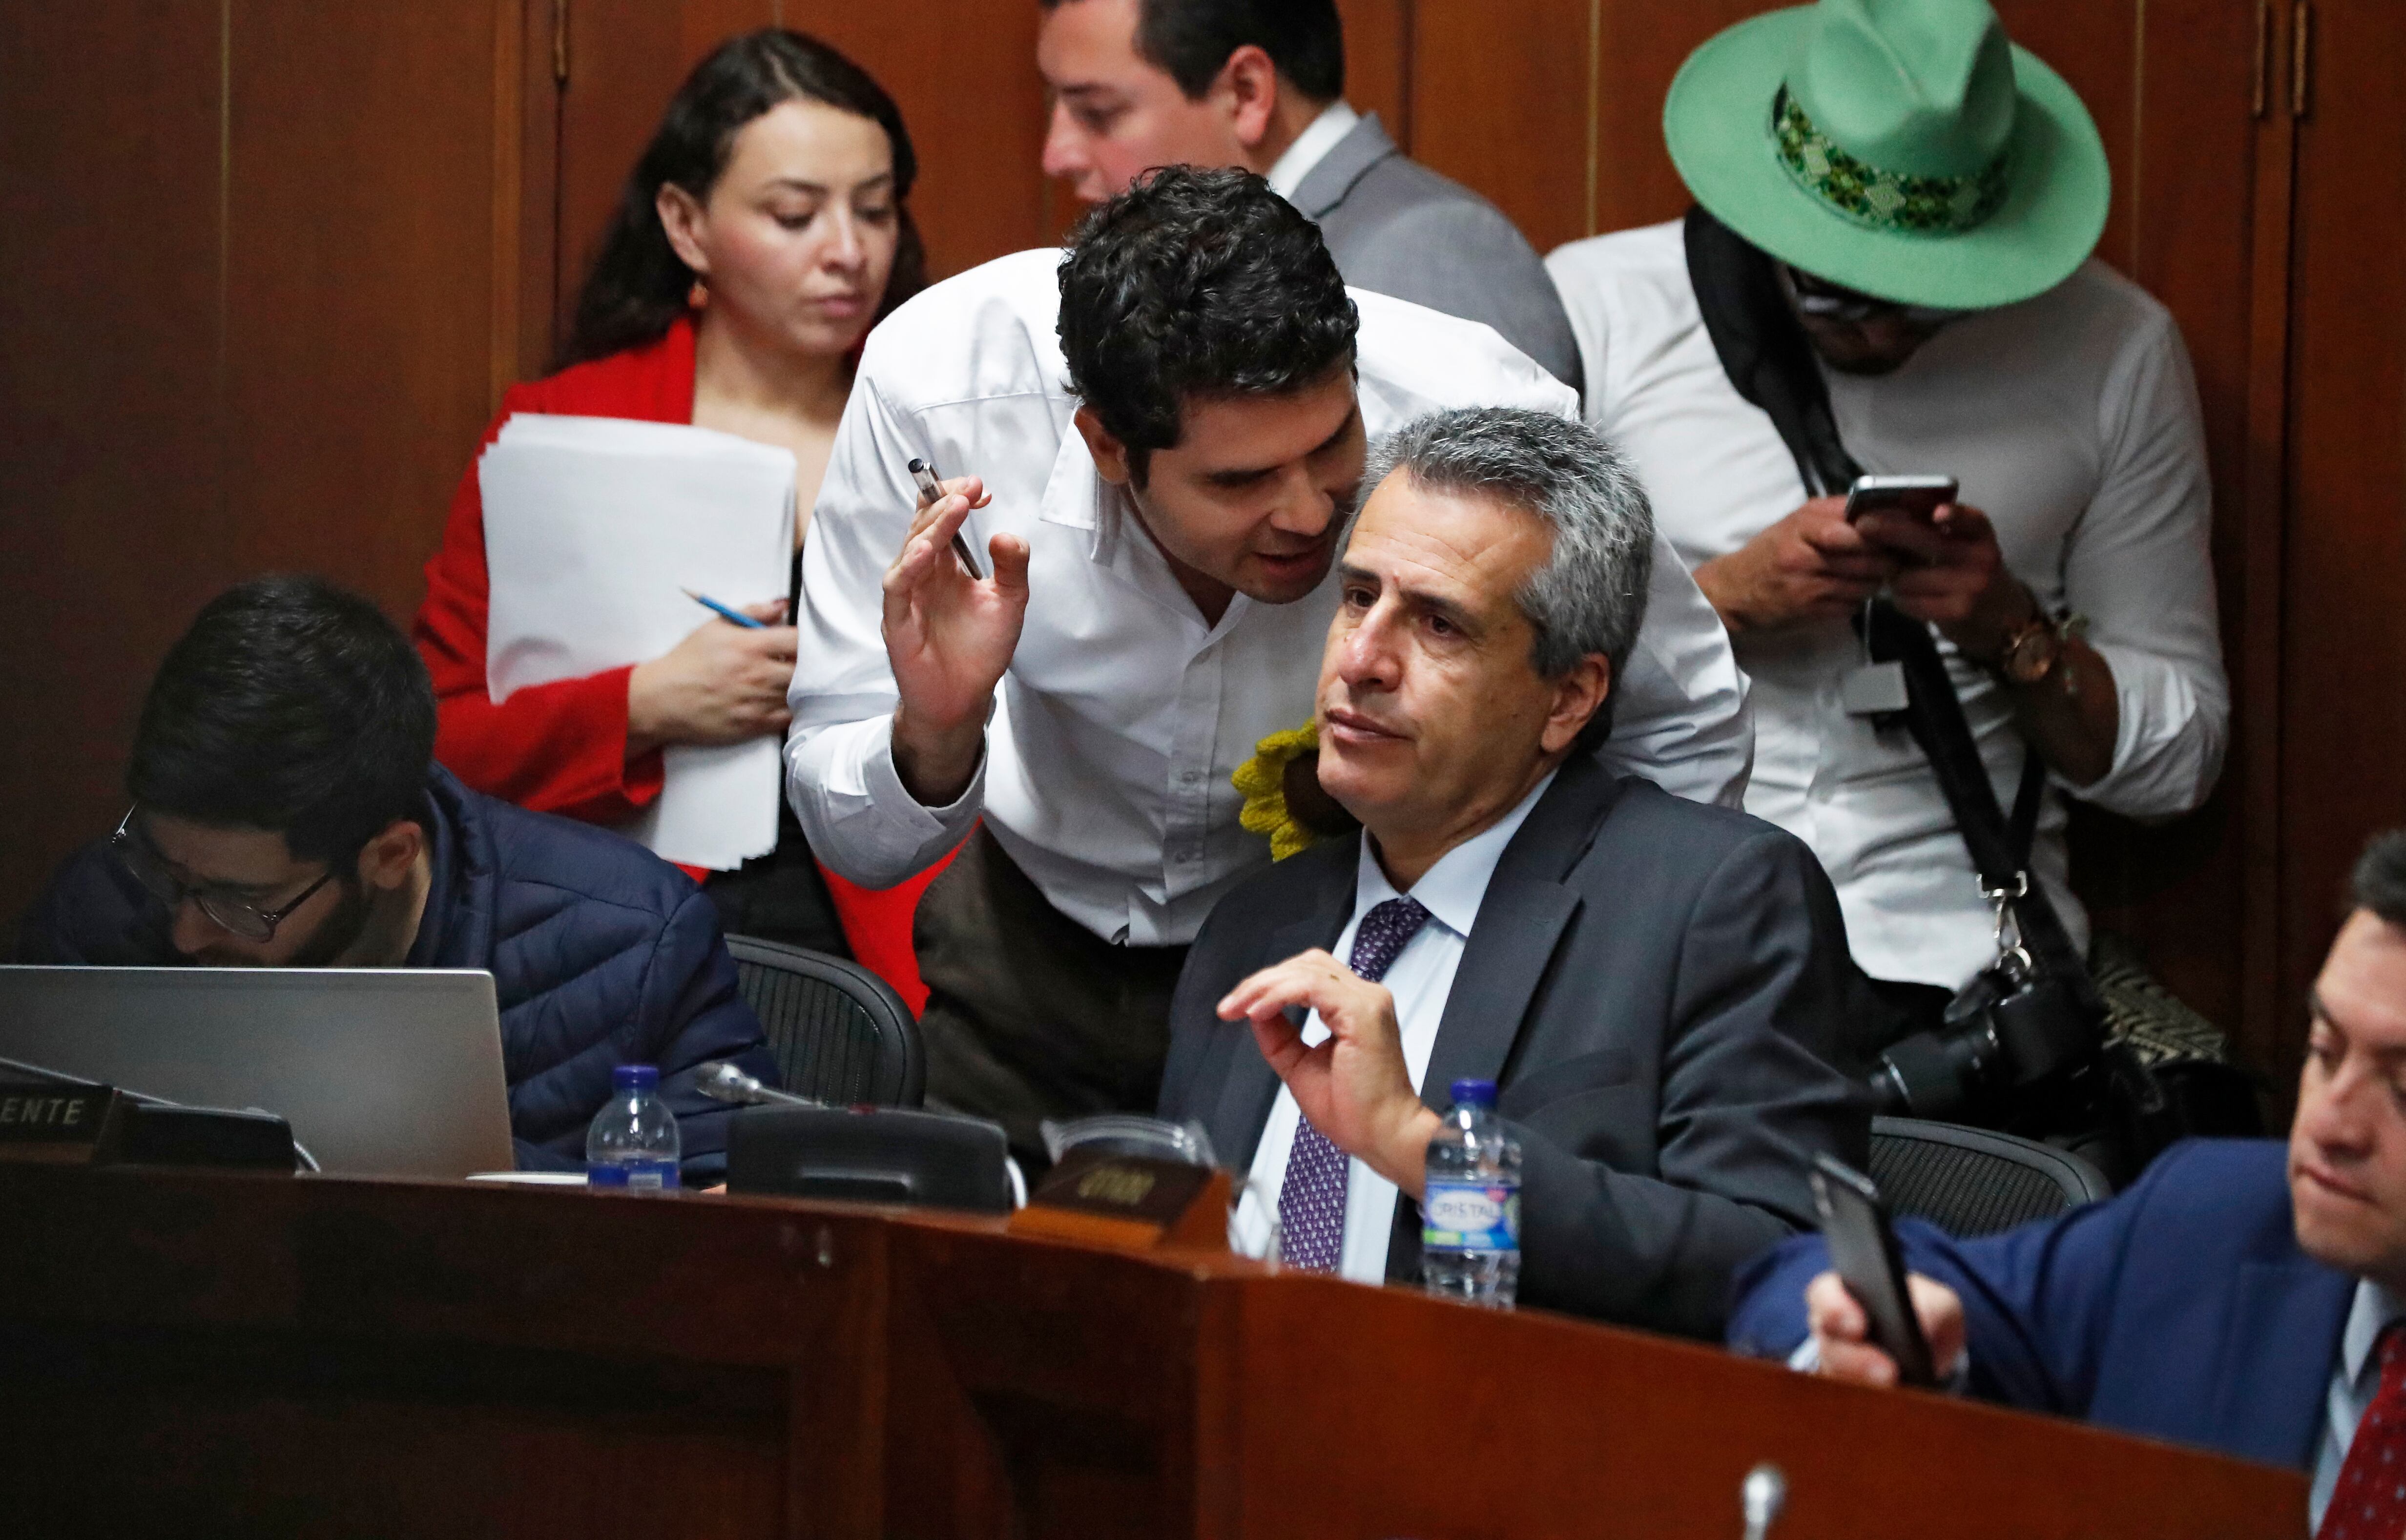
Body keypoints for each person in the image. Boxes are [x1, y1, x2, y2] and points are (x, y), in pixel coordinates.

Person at [789, 166, 1750, 1164]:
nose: (1306, 512)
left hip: (1346, 962)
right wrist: (936, 732)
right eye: (1240, 479)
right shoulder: (940, 395)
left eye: (1333, 443)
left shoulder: (1478, 414)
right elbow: (849, 827)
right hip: (1025, 956)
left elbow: (1685, 714)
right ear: (1108, 445)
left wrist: (1565, 968)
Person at [1545, 0, 2226, 1045]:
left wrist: (2009, 630)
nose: (1877, 328)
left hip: (1957, 970)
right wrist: (1715, 603)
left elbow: (2178, 758)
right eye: (1832, 298)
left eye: (1930, 301)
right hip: (1647, 941)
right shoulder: (1600, 309)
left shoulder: (2112, 349)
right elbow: (1480, 654)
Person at [1160, 406, 1866, 1332]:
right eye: (1359, 595)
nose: (1363, 659)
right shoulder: (1258, 922)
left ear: (1568, 697)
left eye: (1440, 624)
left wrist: (1427, 1151)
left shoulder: (1715, 901)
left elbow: (1773, 1263)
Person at [411, 29, 934, 1004]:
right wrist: (645, 705)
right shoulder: (559, 428)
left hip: (895, 938)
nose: (849, 251)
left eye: (874, 209)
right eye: (794, 214)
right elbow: (439, 744)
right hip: (617, 925)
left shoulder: (945, 423)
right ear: (687, 226)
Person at [1731, 828, 2406, 1532]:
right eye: (2325, 1051)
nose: (2332, 1121)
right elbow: (1793, 1276)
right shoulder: (2217, 1219)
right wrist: (1862, 1331)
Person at [17, 576, 778, 1178]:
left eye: (239, 903)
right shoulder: (105, 904)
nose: (186, 932)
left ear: (389, 855)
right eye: (169, 873)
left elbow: (734, 1215)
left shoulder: (633, 938)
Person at [1037, 0, 1583, 393]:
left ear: (1246, 92)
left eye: (1097, 112)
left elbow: (1499, 530)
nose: (1056, 156)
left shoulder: (1432, 248)